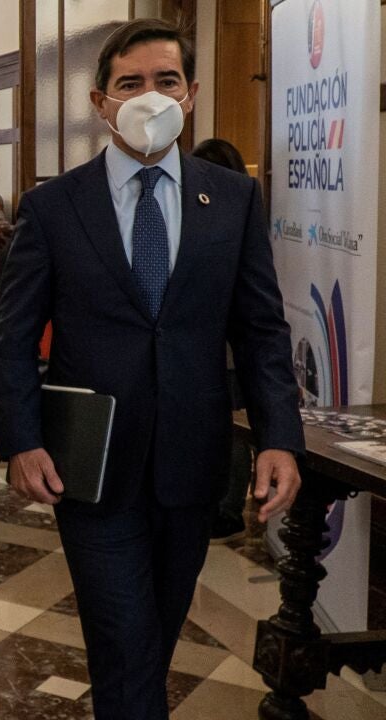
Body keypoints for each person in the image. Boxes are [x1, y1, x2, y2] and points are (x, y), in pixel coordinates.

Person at [0, 20, 303, 720]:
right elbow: (13, 339)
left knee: (149, 643)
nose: (149, 96)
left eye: (166, 80)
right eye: (130, 83)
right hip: (90, 465)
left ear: (191, 94)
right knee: (126, 643)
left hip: (191, 463)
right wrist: (20, 440)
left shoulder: (233, 199)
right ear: (101, 102)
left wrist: (279, 436)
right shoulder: (53, 207)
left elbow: (261, 330)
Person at [190, 138, 253, 544]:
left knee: (234, 430)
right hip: (202, 348)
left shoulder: (241, 215)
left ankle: (229, 509)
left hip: (229, 349)